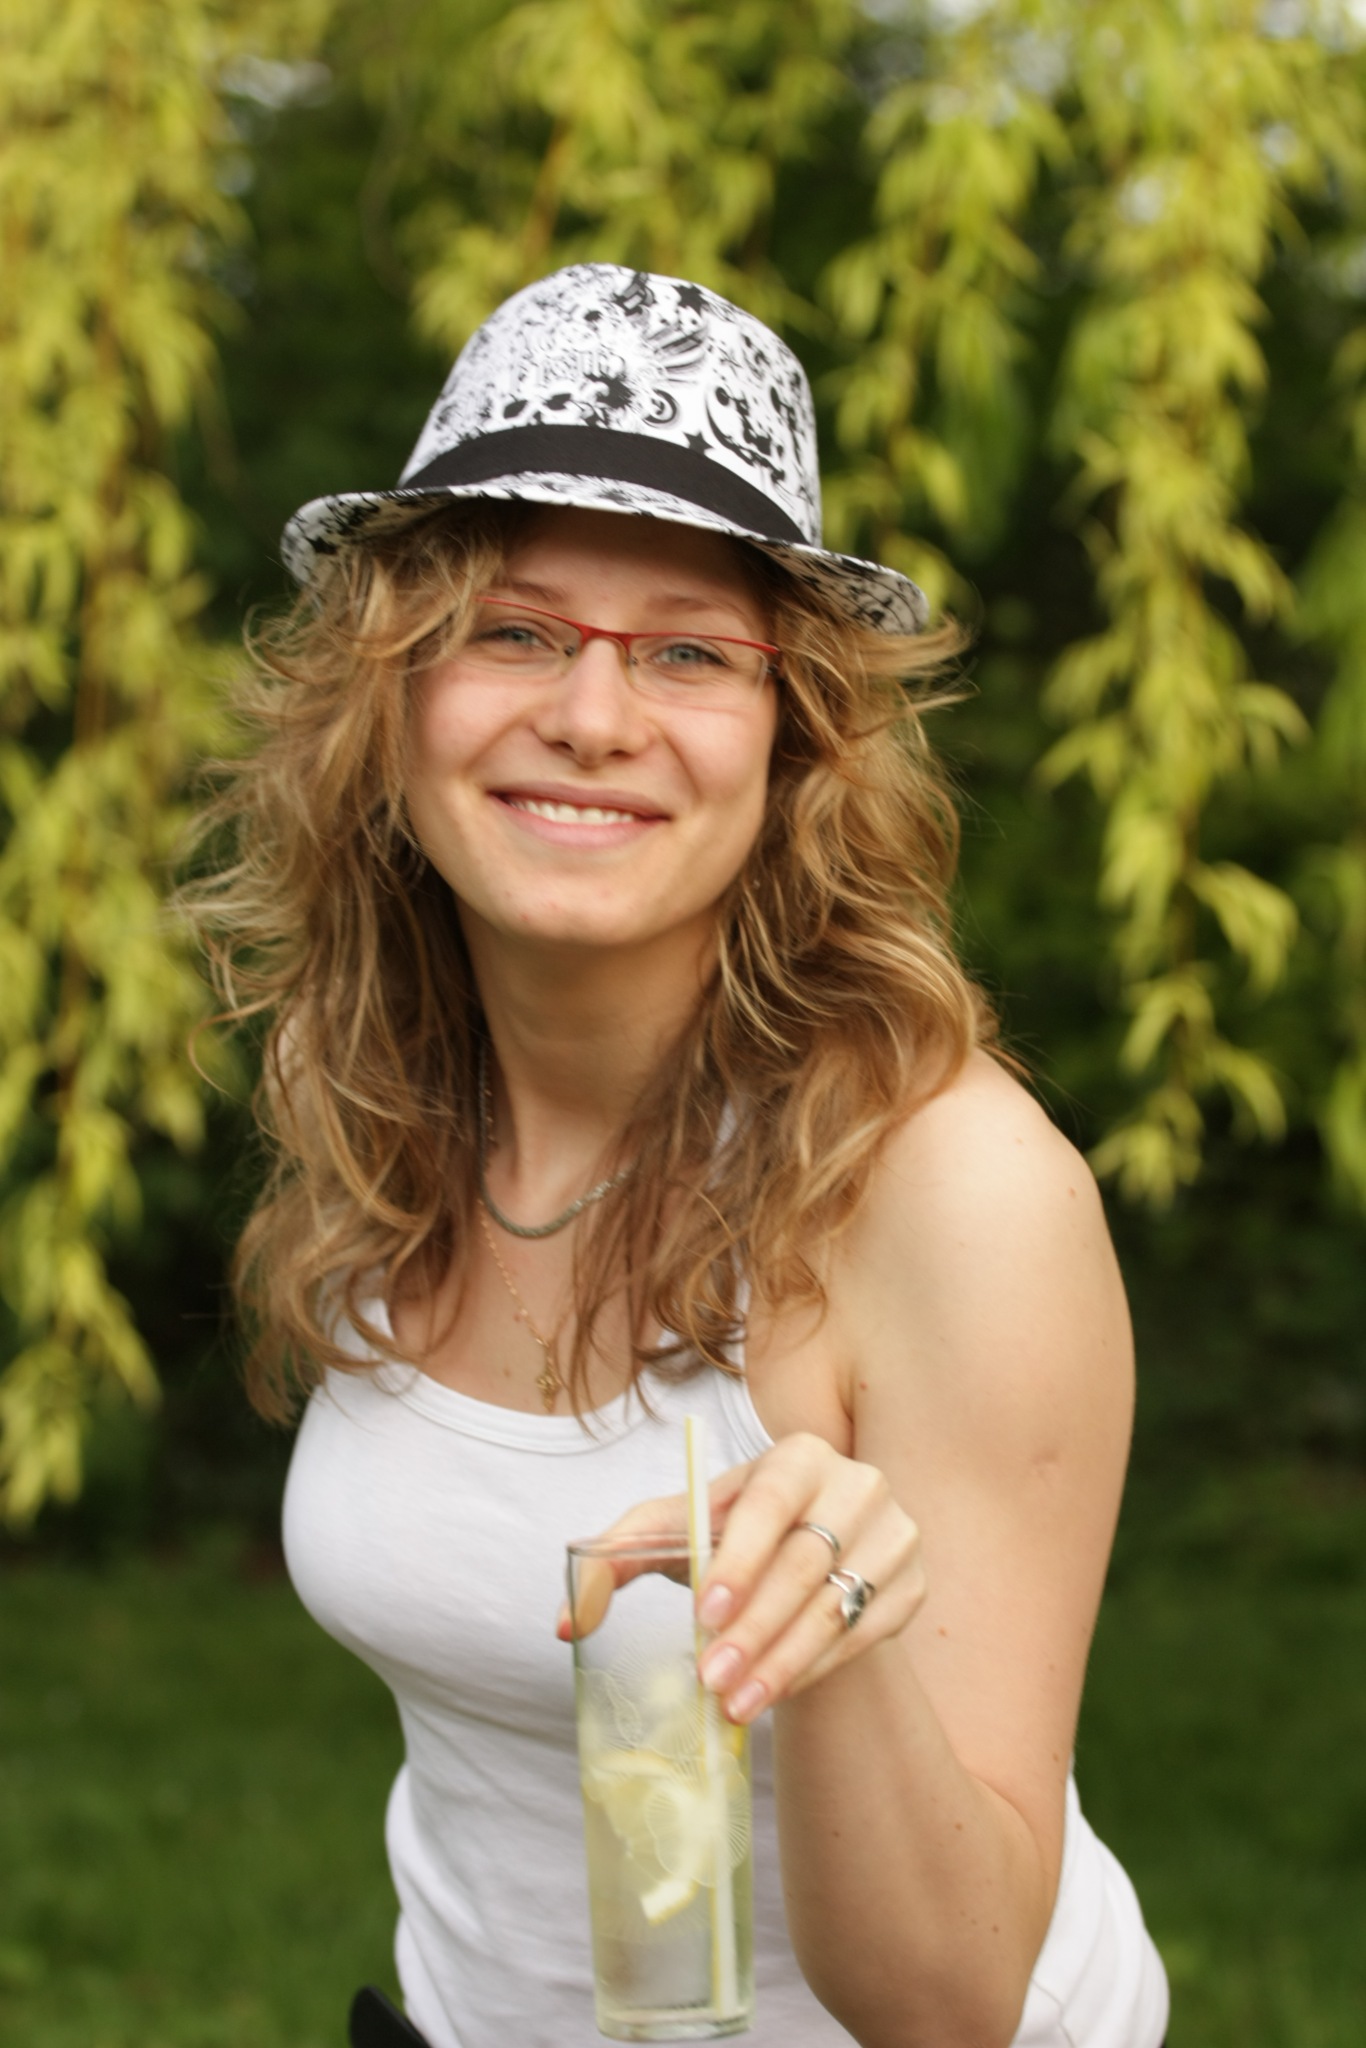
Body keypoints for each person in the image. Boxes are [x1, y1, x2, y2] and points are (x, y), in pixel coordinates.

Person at [196, 264, 1170, 2048]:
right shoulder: (390, 1096)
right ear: (390, 695)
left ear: (792, 741)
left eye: (689, 651)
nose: (592, 715)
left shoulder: (951, 1191)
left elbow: (950, 2003)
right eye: (511, 630)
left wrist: (836, 1631)